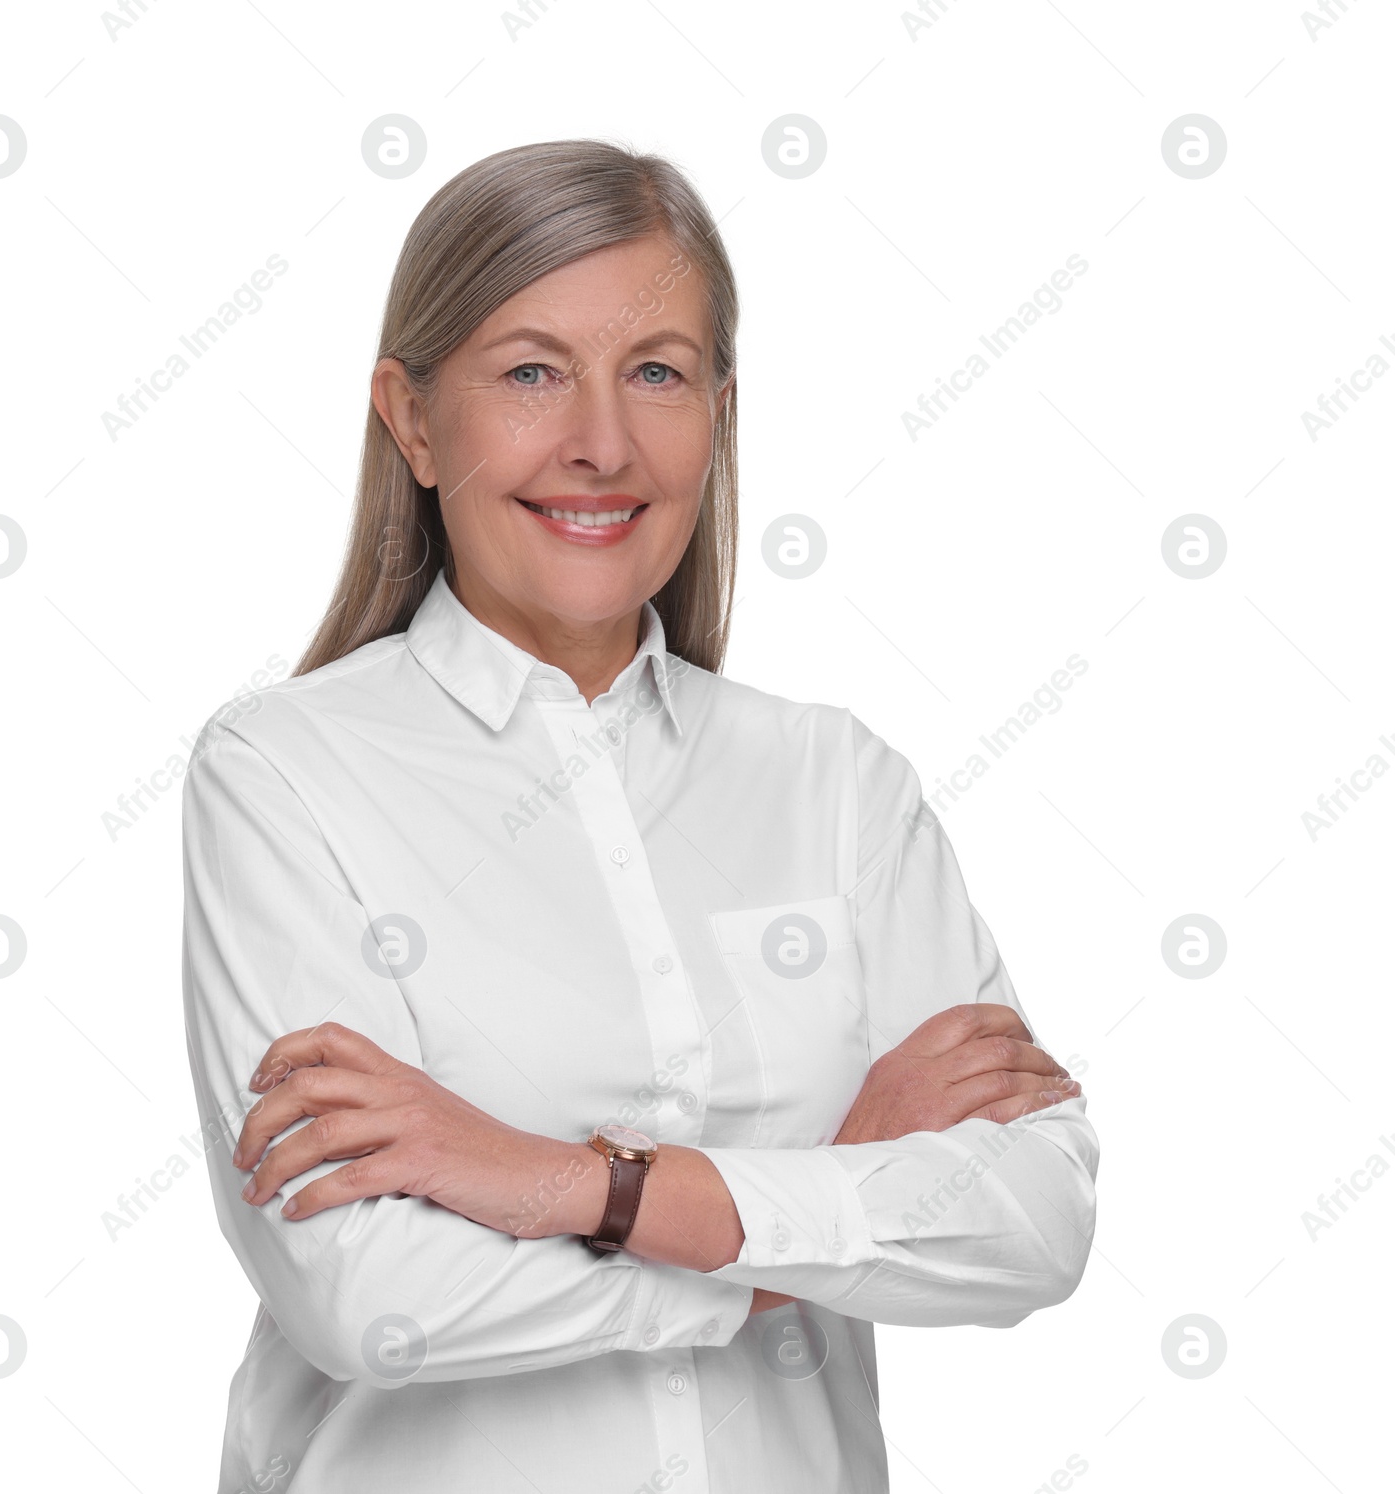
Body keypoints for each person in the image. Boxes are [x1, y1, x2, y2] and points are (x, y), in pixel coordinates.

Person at [181, 137, 1098, 1494]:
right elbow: (364, 1286)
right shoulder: (286, 772)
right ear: (414, 418)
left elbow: (1033, 1218)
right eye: (532, 371)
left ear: (717, 410)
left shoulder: (834, 783)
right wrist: (810, 1210)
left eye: (657, 371)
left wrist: (553, 1180)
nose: (601, 443)